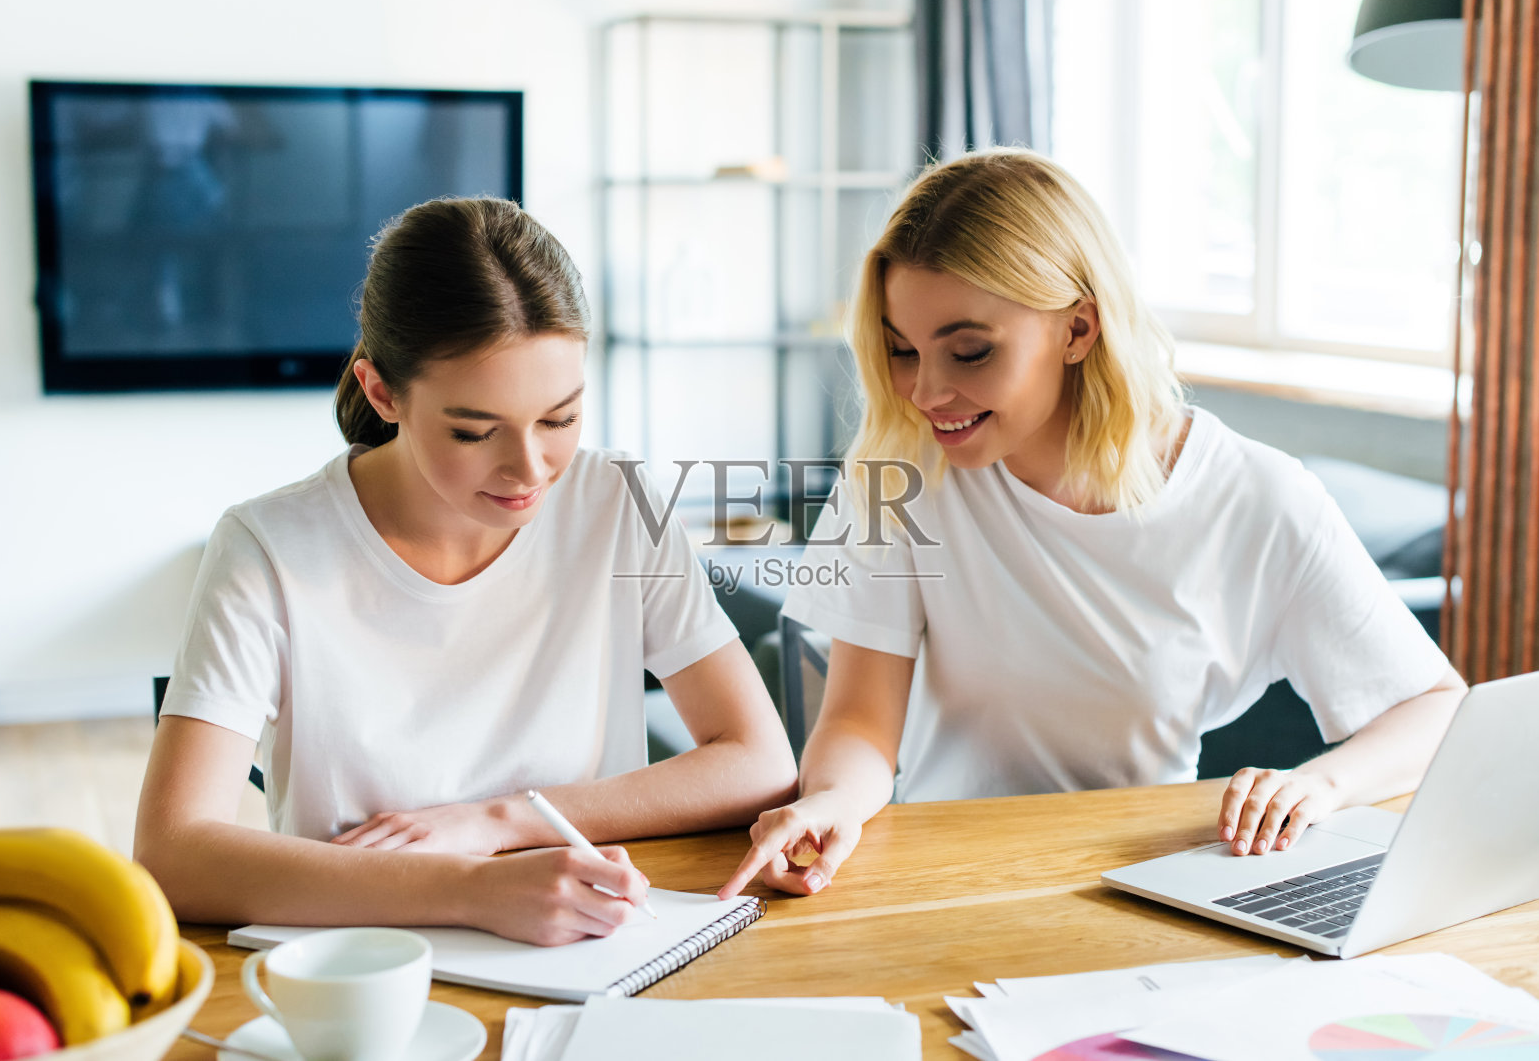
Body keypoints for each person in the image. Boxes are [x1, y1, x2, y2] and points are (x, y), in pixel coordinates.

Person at [719, 150, 1466, 900]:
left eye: (970, 351)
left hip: (1144, 884)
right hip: (941, 876)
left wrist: (1321, 785)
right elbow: (858, 719)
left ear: (1078, 329)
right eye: (902, 350)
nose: (925, 391)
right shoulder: (901, 472)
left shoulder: (1256, 498)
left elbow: (1435, 708)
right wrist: (834, 803)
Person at [135, 197, 796, 946]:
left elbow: (759, 759)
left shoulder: (615, 503)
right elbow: (171, 852)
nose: (529, 468)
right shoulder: (268, 548)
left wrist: (499, 822)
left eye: (559, 418)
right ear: (382, 392)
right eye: (475, 431)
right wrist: (471, 888)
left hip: (593, 942)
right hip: (367, 961)